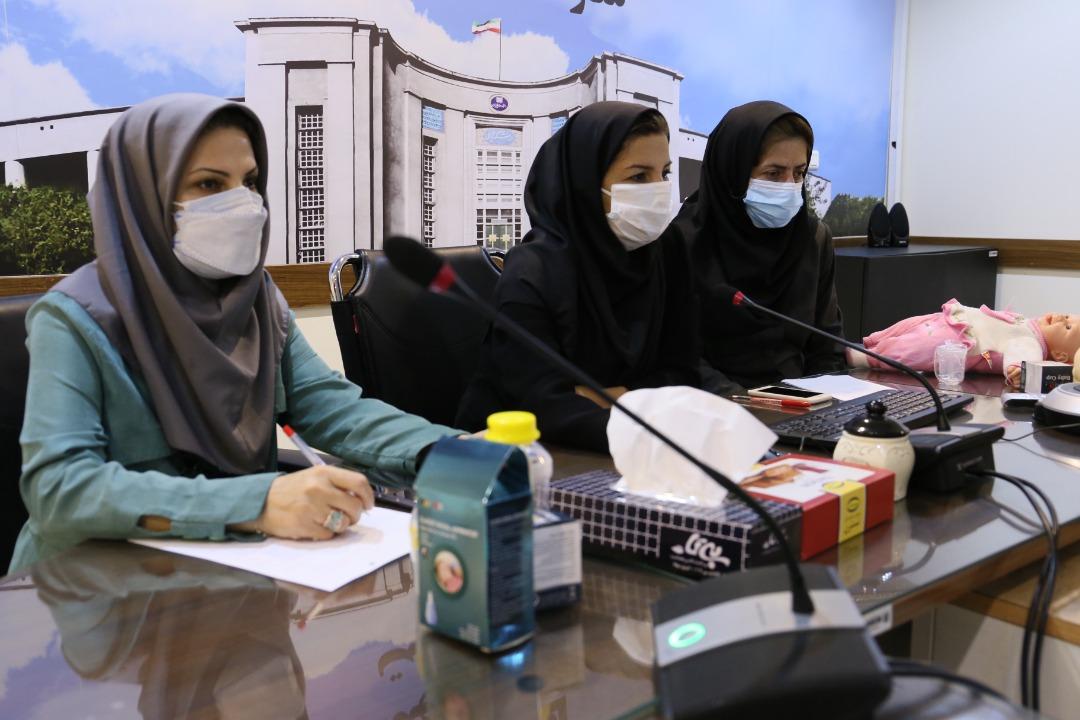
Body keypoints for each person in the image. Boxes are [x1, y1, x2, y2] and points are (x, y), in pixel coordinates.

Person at [11, 94, 457, 572]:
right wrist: (255, 503)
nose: (244, 204)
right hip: (93, 587)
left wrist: (452, 452)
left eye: (250, 182)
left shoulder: (257, 299)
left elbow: (334, 408)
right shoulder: (73, 318)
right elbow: (60, 490)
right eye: (209, 183)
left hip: (237, 569)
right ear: (143, 194)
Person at [455, 101, 700, 453]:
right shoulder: (533, 271)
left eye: (664, 173)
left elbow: (685, 374)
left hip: (626, 448)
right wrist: (644, 407)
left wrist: (616, 398)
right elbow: (540, 406)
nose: (659, 189)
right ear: (584, 184)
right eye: (638, 177)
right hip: (516, 458)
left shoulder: (667, 250)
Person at [665, 101, 845, 393]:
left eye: (799, 173)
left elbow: (827, 348)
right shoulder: (682, 243)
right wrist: (742, 405)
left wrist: (818, 401)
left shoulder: (813, 238)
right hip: (714, 406)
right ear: (732, 173)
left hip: (803, 403)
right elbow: (676, 354)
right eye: (774, 174)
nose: (790, 185)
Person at [848, 299, 1080, 386]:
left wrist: (1019, 371)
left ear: (1060, 356)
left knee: (913, 348)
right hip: (954, 320)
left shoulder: (1031, 343)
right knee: (909, 326)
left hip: (957, 343)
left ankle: (867, 357)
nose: (1062, 318)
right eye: (1068, 316)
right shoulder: (1027, 324)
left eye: (1067, 328)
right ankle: (873, 342)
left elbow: (1022, 360)